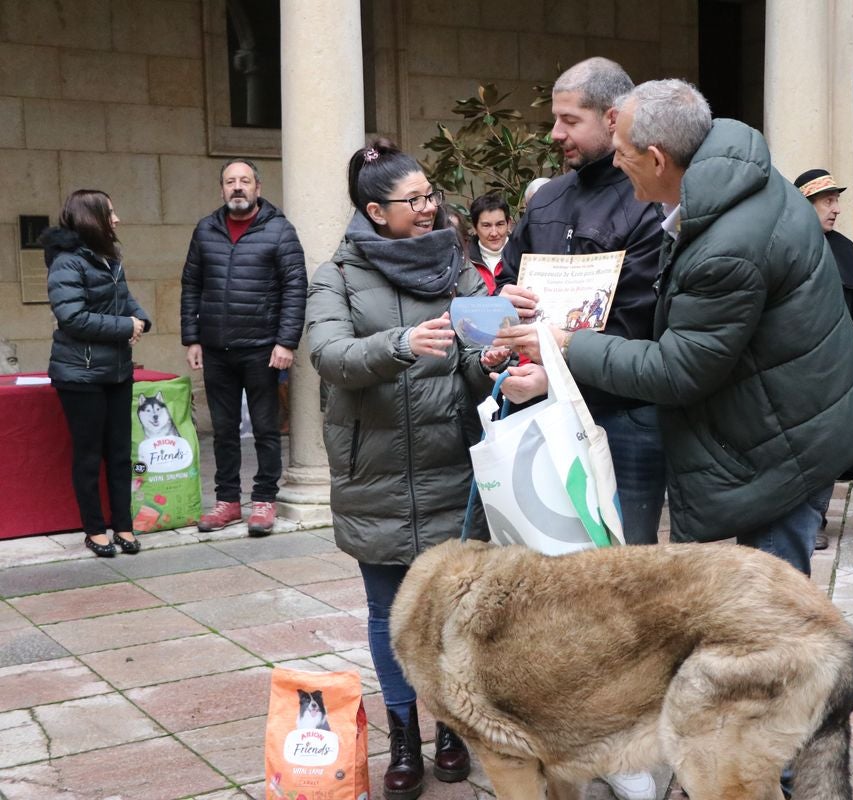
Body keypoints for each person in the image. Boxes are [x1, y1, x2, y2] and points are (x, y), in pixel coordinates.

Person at [495, 79, 853, 582]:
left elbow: (678, 370)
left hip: (784, 446)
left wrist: (564, 344)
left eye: (622, 153)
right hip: (788, 418)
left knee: (767, 619)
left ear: (657, 159)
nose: (614, 164)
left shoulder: (727, 245)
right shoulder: (736, 182)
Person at [306, 139, 508, 799]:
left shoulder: (462, 270)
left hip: (452, 465)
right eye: (414, 200)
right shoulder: (334, 276)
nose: (429, 208)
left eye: (431, 196)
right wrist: (399, 344)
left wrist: (500, 351)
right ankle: (403, 739)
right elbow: (332, 355)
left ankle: (450, 728)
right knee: (388, 612)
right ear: (375, 210)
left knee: (450, 610)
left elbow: (475, 372)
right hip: (376, 475)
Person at [497, 57, 668, 560]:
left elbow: (641, 319)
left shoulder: (648, 201)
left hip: (626, 417)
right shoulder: (547, 199)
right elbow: (508, 278)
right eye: (555, 119)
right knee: (549, 556)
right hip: (543, 410)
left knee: (623, 560)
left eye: (570, 120)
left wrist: (555, 371)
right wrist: (501, 303)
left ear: (613, 119)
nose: (554, 133)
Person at [181, 159, 308, 536]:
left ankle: (264, 499)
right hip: (217, 348)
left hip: (262, 349)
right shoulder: (205, 230)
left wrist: (286, 341)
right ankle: (228, 502)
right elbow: (191, 285)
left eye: (245, 181)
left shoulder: (280, 231)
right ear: (222, 189)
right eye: (230, 181)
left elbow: (295, 288)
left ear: (258, 187)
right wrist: (192, 337)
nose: (238, 187)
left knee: (267, 429)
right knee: (223, 430)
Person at [42, 190, 151, 558]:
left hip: (117, 371)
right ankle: (94, 530)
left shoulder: (109, 258)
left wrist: (142, 320)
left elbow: (126, 299)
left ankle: (123, 525)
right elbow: (72, 318)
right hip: (80, 375)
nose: (117, 219)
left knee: (120, 454)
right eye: (110, 213)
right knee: (89, 455)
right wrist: (126, 326)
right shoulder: (67, 263)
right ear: (92, 218)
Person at [795, 168, 853, 550]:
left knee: (825, 451)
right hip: (796, 372)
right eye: (827, 201)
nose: (836, 209)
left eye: (836, 200)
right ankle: (793, 519)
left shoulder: (845, 249)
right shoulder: (788, 247)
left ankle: (814, 520)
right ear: (806, 205)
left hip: (836, 373)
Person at [467, 192, 511, 293]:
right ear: (474, 228)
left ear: (509, 224)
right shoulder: (464, 260)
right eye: (486, 225)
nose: (494, 233)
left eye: (500, 224)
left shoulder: (522, 256)